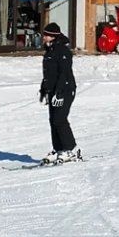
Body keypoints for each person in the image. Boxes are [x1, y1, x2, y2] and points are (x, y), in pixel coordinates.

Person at [37, 22, 81, 165]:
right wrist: (44, 89)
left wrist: (60, 93)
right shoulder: (50, 51)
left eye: (46, 35)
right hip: (53, 90)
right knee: (53, 120)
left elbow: (64, 73)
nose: (44, 37)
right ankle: (59, 149)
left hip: (65, 90)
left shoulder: (63, 51)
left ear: (53, 36)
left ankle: (70, 150)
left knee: (59, 119)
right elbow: (48, 73)